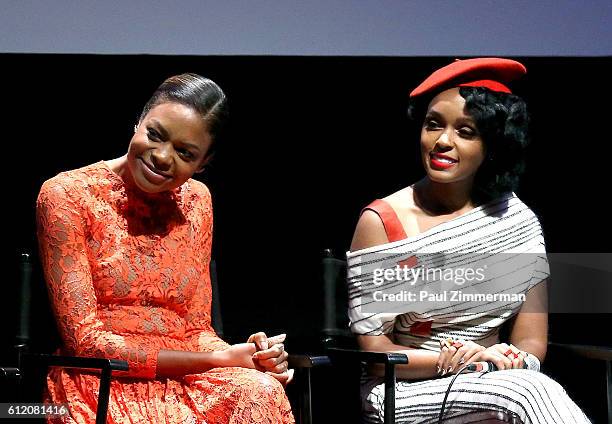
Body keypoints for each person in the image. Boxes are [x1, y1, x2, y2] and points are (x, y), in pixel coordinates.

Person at [36, 73, 295, 423]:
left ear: (203, 164)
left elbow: (196, 330)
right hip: (99, 377)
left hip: (184, 378)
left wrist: (249, 356)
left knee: (261, 391)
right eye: (155, 135)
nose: (161, 157)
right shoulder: (66, 195)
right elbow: (86, 343)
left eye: (185, 153)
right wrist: (220, 360)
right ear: (138, 121)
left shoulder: (198, 201)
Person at [348, 58, 591, 423]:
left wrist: (514, 360)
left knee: (527, 388)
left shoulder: (518, 221)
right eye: (434, 125)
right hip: (403, 389)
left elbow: (531, 341)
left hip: (496, 380)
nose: (443, 141)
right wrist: (469, 360)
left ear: (493, 145)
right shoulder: (383, 221)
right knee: (530, 391)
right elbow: (375, 353)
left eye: (466, 131)